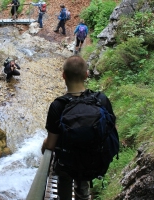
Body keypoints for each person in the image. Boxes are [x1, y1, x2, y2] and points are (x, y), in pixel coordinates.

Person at [41, 55, 117, 200]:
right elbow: (110, 130)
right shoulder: (101, 100)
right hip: (91, 161)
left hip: (66, 163)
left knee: (64, 176)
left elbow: (51, 144)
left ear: (63, 76)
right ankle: (83, 194)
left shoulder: (57, 106)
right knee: (83, 181)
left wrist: (44, 146)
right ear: (86, 75)